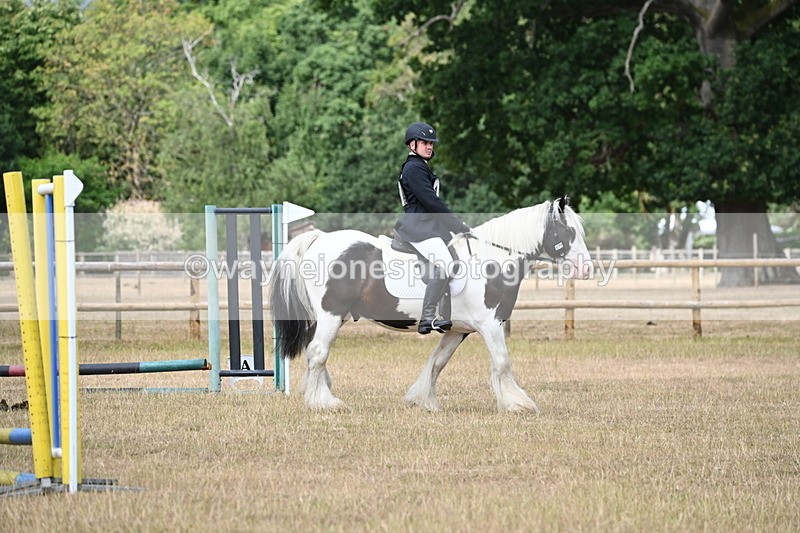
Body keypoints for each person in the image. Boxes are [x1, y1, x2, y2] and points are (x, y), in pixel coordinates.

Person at [393, 122, 472, 334]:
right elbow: (432, 202)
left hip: (428, 226)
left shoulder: (420, 167)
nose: (430, 146)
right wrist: (457, 225)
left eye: (431, 143)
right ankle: (428, 317)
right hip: (419, 226)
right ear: (412, 145)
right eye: (425, 143)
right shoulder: (414, 168)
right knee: (445, 264)